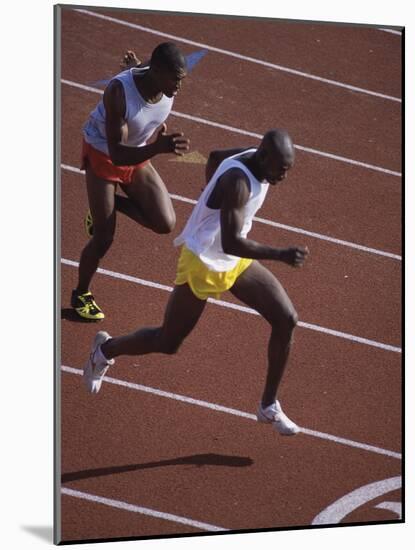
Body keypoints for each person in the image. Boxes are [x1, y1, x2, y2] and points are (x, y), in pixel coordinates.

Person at [83, 129, 309, 436]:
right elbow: (231, 243)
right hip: (204, 260)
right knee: (167, 342)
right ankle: (105, 351)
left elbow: (215, 156)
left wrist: (208, 191)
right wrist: (280, 253)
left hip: (233, 258)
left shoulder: (250, 157)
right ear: (265, 156)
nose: (285, 175)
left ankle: (267, 405)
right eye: (281, 168)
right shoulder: (239, 184)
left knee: (286, 319)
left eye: (289, 168)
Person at [71, 42, 190, 320]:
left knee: (164, 222)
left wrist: (132, 67)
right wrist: (157, 148)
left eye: (182, 79)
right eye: (175, 79)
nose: (179, 87)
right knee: (104, 238)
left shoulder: (159, 81)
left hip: (135, 153)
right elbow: (117, 154)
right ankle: (80, 295)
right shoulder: (118, 93)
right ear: (158, 71)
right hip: (104, 153)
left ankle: (107, 207)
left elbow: (142, 71)